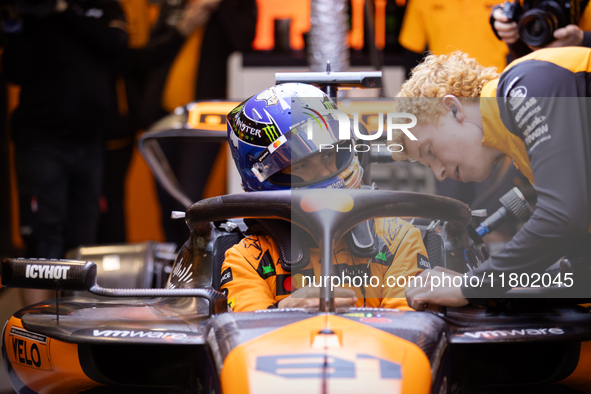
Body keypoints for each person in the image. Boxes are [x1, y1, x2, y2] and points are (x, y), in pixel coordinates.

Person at [390, 48, 591, 309]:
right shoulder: (521, 148)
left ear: (453, 108)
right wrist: (483, 284)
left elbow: (563, 217)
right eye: (428, 166)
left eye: (430, 151)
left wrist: (472, 285)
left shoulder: (525, 84)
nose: (439, 172)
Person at [221, 83, 430, 312]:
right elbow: (246, 338)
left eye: (329, 154)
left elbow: (408, 334)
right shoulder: (245, 258)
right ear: (264, 175)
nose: (324, 173)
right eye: (300, 165)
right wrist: (283, 311)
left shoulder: (398, 240)